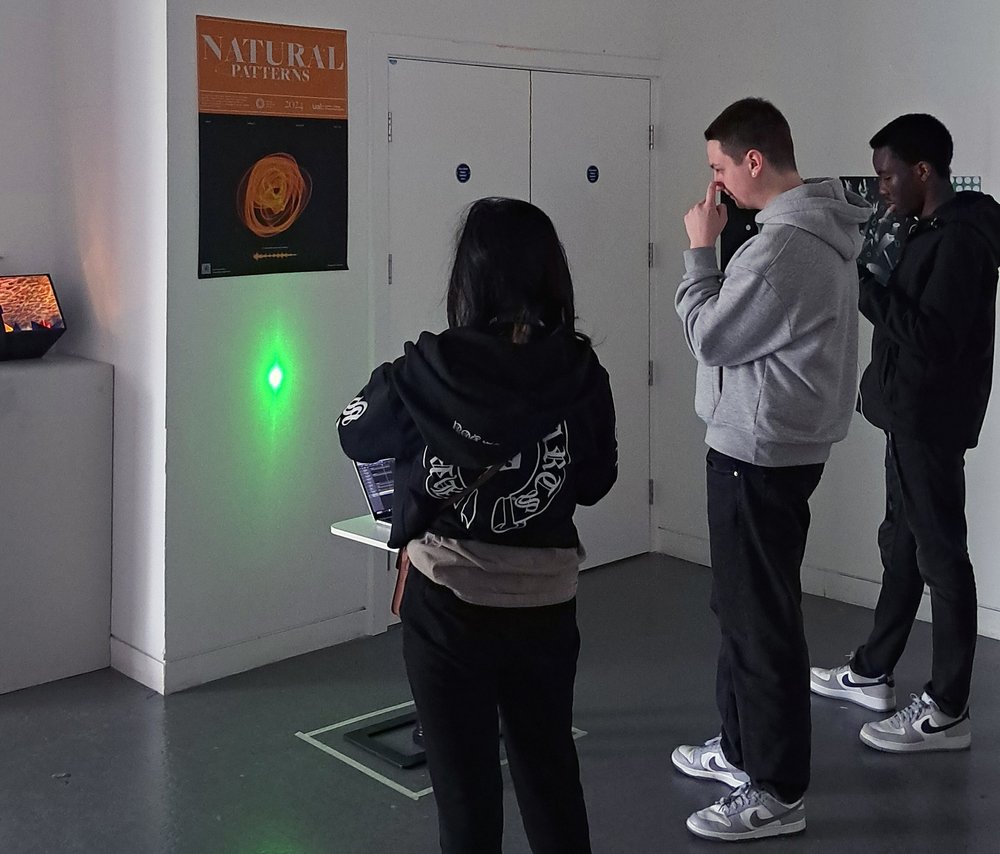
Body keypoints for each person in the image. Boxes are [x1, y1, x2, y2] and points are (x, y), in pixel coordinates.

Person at [338, 197, 618, 854]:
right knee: (550, 776)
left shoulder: (426, 370)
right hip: (546, 605)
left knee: (465, 800)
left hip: (447, 607)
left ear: (468, 279)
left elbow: (354, 433)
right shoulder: (581, 371)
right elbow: (596, 483)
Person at [672, 97, 869, 842]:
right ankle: (740, 747)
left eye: (719, 167)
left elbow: (713, 337)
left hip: (758, 455)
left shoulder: (786, 247)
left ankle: (777, 789)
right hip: (764, 449)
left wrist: (699, 252)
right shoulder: (797, 235)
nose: (714, 185)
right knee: (744, 610)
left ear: (754, 161)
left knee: (762, 624)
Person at [810, 114, 1000, 752]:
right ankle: (872, 672)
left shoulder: (963, 240)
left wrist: (865, 289)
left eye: (889, 174)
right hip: (907, 413)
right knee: (901, 543)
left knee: (942, 556)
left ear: (924, 171)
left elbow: (934, 338)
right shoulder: (930, 229)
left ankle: (948, 708)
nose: (881, 186)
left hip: (930, 419)